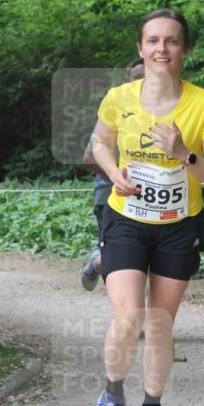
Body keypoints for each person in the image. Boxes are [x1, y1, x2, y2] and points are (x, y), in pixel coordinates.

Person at [82, 8, 204, 406]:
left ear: (185, 50)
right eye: (153, 41)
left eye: (171, 41)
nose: (161, 49)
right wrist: (114, 173)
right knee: (128, 317)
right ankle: (111, 396)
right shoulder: (118, 97)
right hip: (126, 218)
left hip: (178, 226)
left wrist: (185, 153)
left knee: (160, 324)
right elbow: (99, 144)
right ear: (140, 48)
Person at [80, 57, 145, 291]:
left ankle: (99, 259)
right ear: (128, 80)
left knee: (139, 259)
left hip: (148, 201)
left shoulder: (162, 112)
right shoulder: (117, 108)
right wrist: (118, 175)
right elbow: (89, 156)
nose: (144, 82)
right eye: (138, 77)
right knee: (123, 261)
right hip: (109, 197)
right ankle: (100, 261)